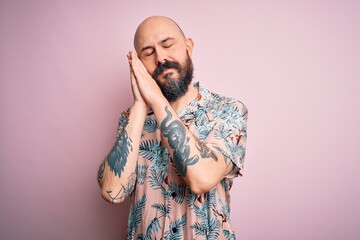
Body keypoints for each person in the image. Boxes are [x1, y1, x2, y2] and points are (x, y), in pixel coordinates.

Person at [97, 16, 248, 239]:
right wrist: (140, 105)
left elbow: (201, 179)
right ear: (138, 64)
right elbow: (113, 192)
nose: (161, 58)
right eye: (148, 53)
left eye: (168, 45)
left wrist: (157, 101)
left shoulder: (228, 110)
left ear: (188, 47)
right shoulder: (131, 120)